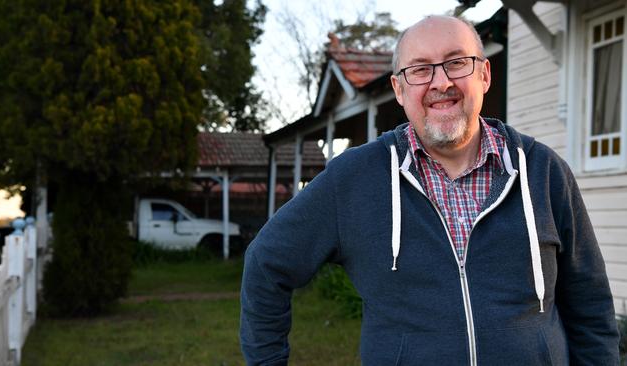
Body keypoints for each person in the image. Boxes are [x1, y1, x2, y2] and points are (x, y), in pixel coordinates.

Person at [240, 15, 620, 365]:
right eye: (420, 70)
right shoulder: (354, 179)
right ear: (399, 89)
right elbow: (266, 264)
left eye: (457, 62)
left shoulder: (544, 171)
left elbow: (590, 309)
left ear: (484, 75)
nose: (441, 83)